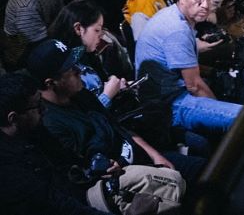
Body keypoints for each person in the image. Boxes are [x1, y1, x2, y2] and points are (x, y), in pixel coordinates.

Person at [25, 39, 188, 211]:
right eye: (71, 69)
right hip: (124, 182)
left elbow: (117, 127)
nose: (79, 70)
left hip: (140, 156)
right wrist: (110, 169)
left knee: (199, 159)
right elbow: (83, 177)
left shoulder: (81, 94)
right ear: (51, 83)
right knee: (185, 187)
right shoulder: (51, 126)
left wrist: (155, 155)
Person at [134, 0, 242, 135]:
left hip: (171, 94)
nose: (205, 5)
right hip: (168, 105)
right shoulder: (178, 29)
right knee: (243, 118)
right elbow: (195, 87)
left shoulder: (174, 15)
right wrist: (218, 107)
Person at [0, 72, 108, 214]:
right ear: (13, 118)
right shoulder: (9, 169)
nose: (44, 109)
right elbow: (56, 204)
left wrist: (99, 167)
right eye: (38, 105)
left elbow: (68, 160)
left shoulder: (34, 131)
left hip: (80, 192)